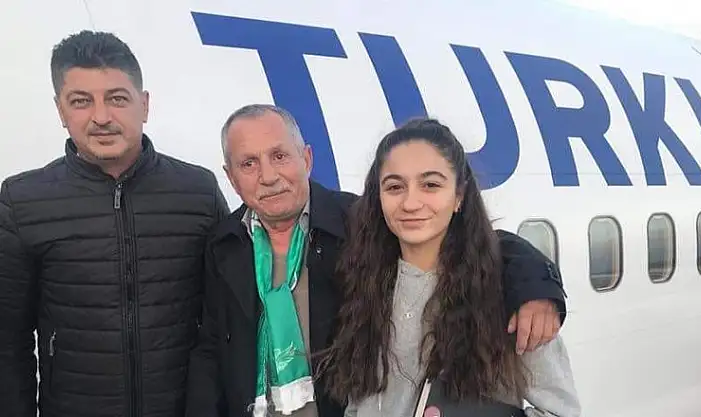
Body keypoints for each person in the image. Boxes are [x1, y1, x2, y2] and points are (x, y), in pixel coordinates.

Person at [185, 105, 569, 417]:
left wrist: (536, 283)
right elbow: (211, 348)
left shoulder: (353, 225)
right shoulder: (224, 244)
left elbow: (475, 242)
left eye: (279, 156)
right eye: (248, 164)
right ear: (231, 178)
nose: (268, 176)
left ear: (307, 159)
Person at [0, 31, 229, 417]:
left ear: (144, 104)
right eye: (81, 101)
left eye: (117, 98)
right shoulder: (22, 201)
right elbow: (8, 343)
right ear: (60, 111)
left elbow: (225, 321)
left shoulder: (198, 191)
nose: (102, 117)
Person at [316, 117, 580, 417]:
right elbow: (360, 402)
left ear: (459, 196)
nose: (410, 203)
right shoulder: (365, 284)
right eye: (395, 187)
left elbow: (562, 411)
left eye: (430, 185)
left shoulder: (508, 292)